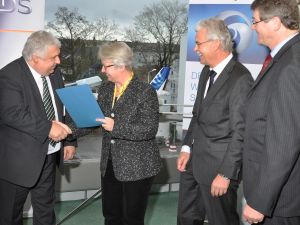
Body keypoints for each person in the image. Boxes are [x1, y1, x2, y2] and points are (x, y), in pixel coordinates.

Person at [177, 18, 253, 225]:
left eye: (199, 43)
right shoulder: (206, 71)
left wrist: (226, 175)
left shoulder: (241, 79)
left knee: (222, 221)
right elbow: (197, 115)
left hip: (218, 170)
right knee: (186, 218)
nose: (195, 48)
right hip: (193, 164)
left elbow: (242, 132)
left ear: (216, 43)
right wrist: (186, 147)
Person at [0, 31, 77, 225]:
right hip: (18, 162)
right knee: (9, 215)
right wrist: (48, 128)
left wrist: (69, 140)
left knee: (45, 211)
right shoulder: (8, 76)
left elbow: (63, 108)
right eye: (53, 57)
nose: (58, 61)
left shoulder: (54, 73)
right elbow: (12, 113)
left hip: (49, 155)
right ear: (35, 58)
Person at [242, 0, 300, 224]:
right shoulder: (285, 58)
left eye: (255, 21)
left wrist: (260, 201)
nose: (253, 27)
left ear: (275, 22)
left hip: (280, 202)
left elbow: (284, 142)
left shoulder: (291, 65)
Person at [96, 41, 162, 225]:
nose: (102, 70)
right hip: (109, 164)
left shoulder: (145, 91)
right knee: (111, 216)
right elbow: (96, 120)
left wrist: (115, 127)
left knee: (131, 219)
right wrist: (68, 133)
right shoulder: (105, 89)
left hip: (138, 167)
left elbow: (149, 129)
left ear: (121, 65)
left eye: (106, 65)